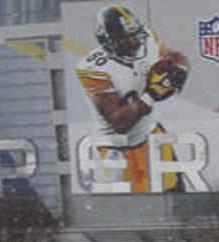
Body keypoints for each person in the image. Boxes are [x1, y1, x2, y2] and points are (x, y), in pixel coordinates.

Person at [76, 4, 188, 193]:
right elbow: (119, 122)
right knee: (131, 212)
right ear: (108, 42)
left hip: (152, 137)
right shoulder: (92, 68)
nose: (134, 42)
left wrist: (179, 70)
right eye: (126, 39)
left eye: (135, 35)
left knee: (177, 202)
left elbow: (175, 58)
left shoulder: (149, 37)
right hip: (116, 150)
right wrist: (152, 94)